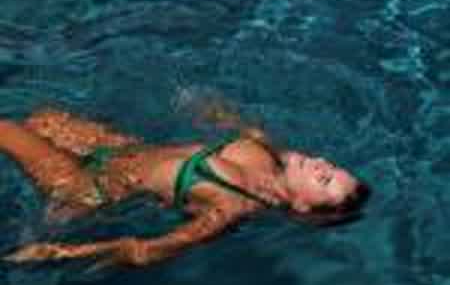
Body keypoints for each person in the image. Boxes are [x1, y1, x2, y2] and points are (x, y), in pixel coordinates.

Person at [1, 107, 370, 267]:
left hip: (91, 187)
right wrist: (211, 110)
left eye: (324, 178)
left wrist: (60, 252)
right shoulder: (272, 155)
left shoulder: (231, 207)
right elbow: (230, 120)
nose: (321, 163)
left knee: (5, 128)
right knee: (42, 118)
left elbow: (148, 251)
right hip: (119, 148)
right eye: (331, 166)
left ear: (302, 205)